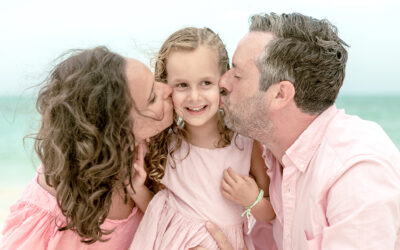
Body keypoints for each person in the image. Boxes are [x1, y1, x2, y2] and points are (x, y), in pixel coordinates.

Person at [216, 12, 400, 249]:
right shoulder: (268, 151)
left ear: (280, 94)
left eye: (237, 74)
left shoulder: (356, 175)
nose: (222, 82)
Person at [0, 46, 174, 249]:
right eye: (152, 97)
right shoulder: (53, 219)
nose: (168, 89)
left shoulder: (150, 145)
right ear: (118, 132)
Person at [129, 27, 275, 250]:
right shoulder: (166, 143)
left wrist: (252, 199)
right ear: (166, 87)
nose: (194, 97)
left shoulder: (245, 142)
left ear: (223, 81)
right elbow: (162, 214)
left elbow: (271, 212)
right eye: (182, 85)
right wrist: (138, 190)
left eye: (206, 83)